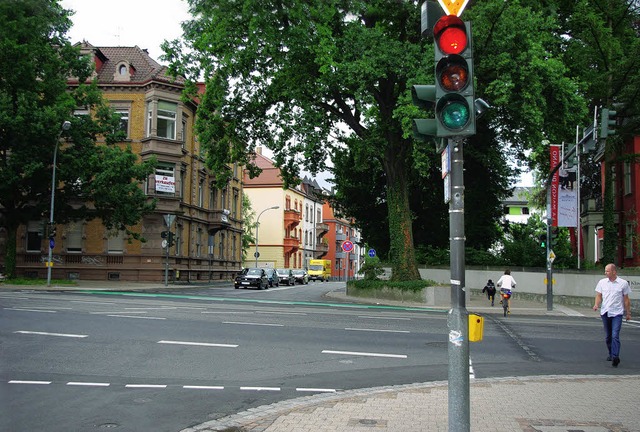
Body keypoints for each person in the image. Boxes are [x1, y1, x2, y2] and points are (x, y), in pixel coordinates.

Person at [593, 263, 632, 367]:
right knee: (608, 336)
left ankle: (615, 356)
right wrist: (596, 304)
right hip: (605, 312)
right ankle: (611, 353)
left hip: (617, 313)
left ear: (614, 272)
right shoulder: (602, 282)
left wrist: (628, 313)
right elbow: (598, 295)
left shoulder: (623, 283)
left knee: (615, 335)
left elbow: (626, 299)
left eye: (607, 271)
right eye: (605, 271)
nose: (605, 273)